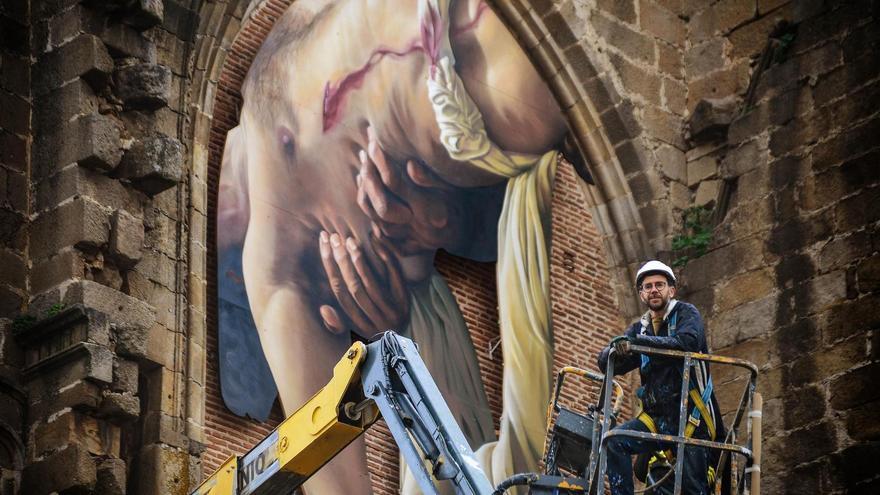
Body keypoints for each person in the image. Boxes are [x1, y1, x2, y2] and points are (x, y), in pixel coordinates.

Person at [597, 260, 723, 495]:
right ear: (641, 294)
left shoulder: (686, 314)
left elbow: (686, 343)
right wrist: (614, 350)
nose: (654, 290)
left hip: (692, 419)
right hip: (656, 418)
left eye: (660, 285)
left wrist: (637, 344)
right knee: (615, 442)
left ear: (671, 290)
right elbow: (608, 364)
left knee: (692, 487)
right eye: (648, 286)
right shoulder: (640, 329)